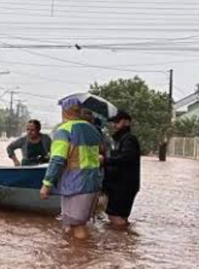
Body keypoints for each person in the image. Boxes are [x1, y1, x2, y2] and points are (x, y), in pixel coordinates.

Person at [40, 102, 103, 240]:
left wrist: (47, 184)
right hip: (93, 182)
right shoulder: (92, 129)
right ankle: (76, 256)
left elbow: (57, 160)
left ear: (64, 111)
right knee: (77, 224)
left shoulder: (64, 130)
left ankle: (82, 258)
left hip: (75, 184)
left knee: (76, 226)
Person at [101, 110, 141, 227]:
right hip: (122, 184)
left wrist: (105, 160)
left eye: (117, 122)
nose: (114, 125)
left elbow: (125, 158)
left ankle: (124, 239)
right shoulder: (121, 140)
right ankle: (124, 242)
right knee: (121, 216)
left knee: (114, 215)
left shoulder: (128, 139)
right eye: (113, 122)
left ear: (127, 123)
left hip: (122, 185)